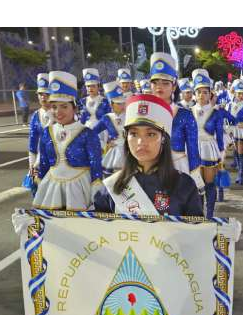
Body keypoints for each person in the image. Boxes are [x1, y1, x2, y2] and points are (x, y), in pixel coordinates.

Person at [94, 94, 203, 216]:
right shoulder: (111, 187)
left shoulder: (184, 185)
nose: (141, 142)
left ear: (163, 139)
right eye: (134, 134)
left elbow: (197, 233)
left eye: (150, 134)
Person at [32, 71, 103, 211]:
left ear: (75, 108)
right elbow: (45, 163)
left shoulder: (87, 133)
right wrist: (38, 180)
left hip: (80, 188)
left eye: (64, 106)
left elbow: (96, 167)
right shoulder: (47, 132)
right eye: (54, 107)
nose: (58, 111)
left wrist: (97, 193)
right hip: (52, 187)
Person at [148, 52, 203, 192]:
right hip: (149, 168)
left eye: (165, 83)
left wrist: (195, 177)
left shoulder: (185, 114)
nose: (159, 86)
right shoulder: (143, 113)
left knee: (175, 209)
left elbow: (192, 149)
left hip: (178, 168)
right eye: (155, 82)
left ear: (173, 87)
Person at [191, 69, 226, 218]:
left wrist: (221, 154)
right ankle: (199, 213)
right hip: (193, 149)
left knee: (209, 183)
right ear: (195, 94)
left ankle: (210, 214)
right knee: (197, 185)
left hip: (209, 149)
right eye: (199, 92)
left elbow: (219, 135)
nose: (201, 95)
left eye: (205, 92)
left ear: (210, 94)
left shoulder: (216, 112)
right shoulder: (188, 111)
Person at [25, 73, 54, 194]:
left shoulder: (61, 113)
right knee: (39, 193)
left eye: (46, 94)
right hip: (40, 159)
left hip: (59, 160)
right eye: (40, 94)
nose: (43, 97)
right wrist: (32, 164)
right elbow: (32, 142)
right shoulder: (35, 116)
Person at [94, 81, 127, 175]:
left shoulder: (129, 115)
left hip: (128, 151)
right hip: (114, 152)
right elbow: (92, 132)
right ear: (111, 104)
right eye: (119, 104)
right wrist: (105, 144)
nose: (122, 106)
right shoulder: (107, 118)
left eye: (123, 103)